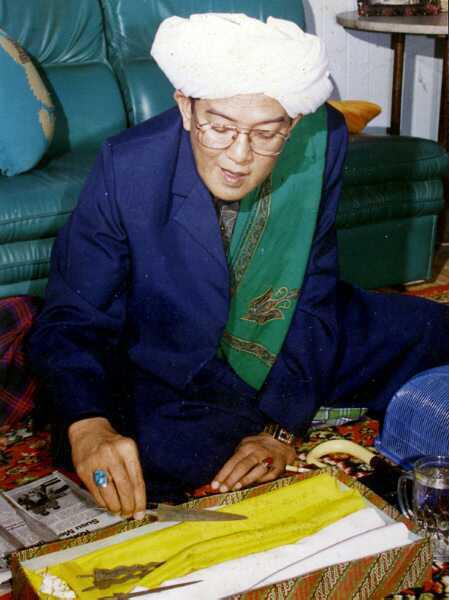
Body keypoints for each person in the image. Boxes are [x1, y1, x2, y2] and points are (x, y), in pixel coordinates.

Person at [28, 13, 448, 520]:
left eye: (266, 133)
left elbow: (312, 288)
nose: (239, 156)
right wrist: (88, 426)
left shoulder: (323, 139)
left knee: (433, 330)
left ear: (293, 124)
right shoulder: (129, 166)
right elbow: (73, 315)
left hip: (281, 325)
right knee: (153, 454)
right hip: (174, 353)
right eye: (220, 127)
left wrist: (278, 428)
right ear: (186, 107)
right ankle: (302, 404)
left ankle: (299, 403)